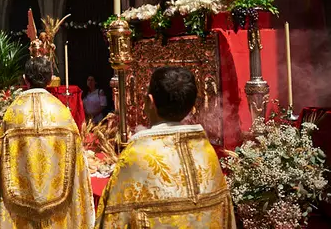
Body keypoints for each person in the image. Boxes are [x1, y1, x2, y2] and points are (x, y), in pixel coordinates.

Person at [95, 66, 236, 228]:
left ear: (150, 101)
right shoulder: (206, 151)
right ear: (191, 106)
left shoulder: (137, 155)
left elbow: (113, 219)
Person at [0, 57, 94, 229]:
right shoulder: (61, 113)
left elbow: (1, 167)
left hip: (20, 209)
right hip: (57, 212)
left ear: (25, 79)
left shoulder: (14, 113)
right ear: (50, 78)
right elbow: (78, 167)